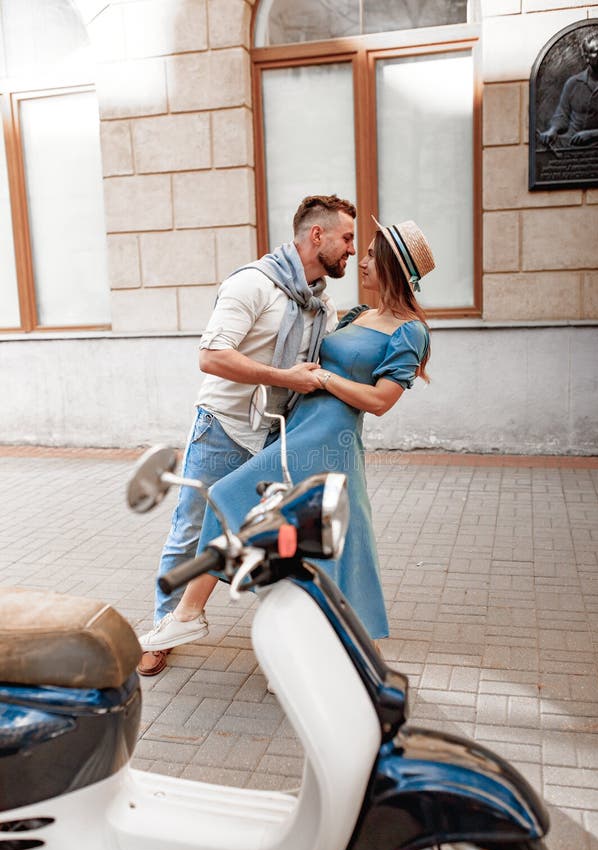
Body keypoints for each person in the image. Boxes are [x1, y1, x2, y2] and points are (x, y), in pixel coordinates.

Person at [138, 217, 435, 651]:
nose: (361, 259)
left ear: (392, 264)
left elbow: (380, 401)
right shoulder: (355, 314)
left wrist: (323, 381)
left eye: (370, 253)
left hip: (328, 440)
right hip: (296, 427)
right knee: (288, 538)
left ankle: (189, 615)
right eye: (358, 247)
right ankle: (283, 640)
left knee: (229, 498)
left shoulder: (410, 331)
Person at [137, 194, 357, 677]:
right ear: (316, 235)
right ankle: (164, 627)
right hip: (222, 427)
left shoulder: (323, 303)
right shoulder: (253, 284)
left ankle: (283, 641)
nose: (352, 250)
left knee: (267, 539)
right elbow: (212, 356)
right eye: (346, 238)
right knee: (191, 530)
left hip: (277, 436)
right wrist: (286, 379)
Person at [539, 32, 598, 148]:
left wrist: (592, 134)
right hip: (572, 144)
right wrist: (552, 130)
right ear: (586, 57)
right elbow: (562, 115)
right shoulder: (573, 83)